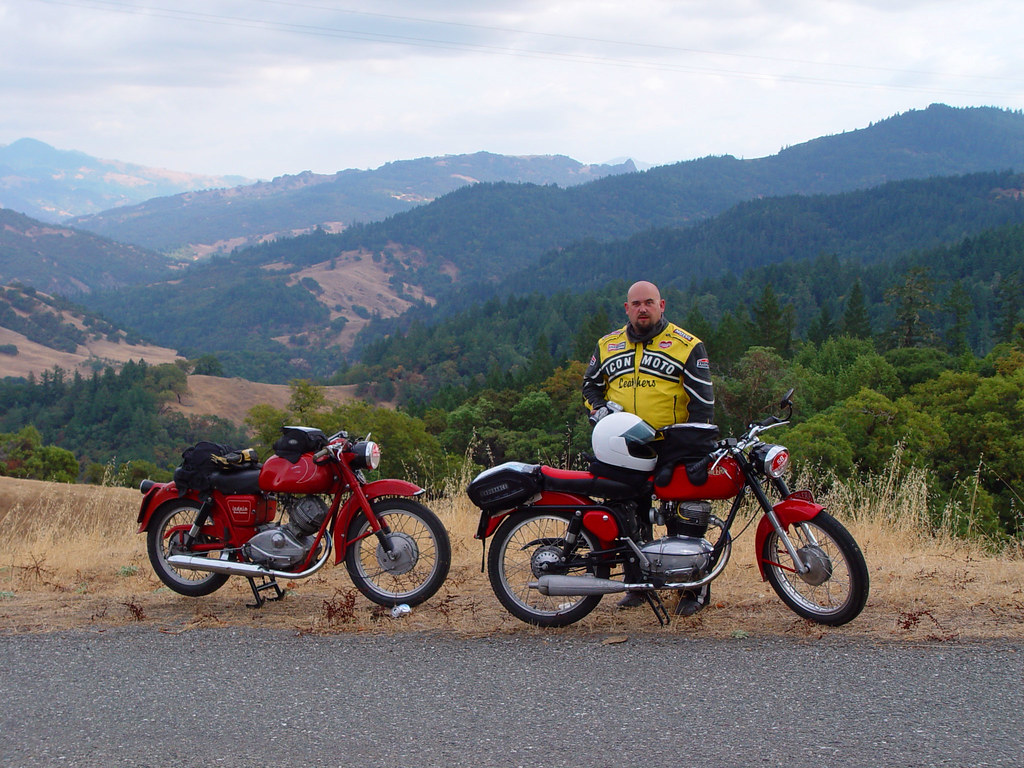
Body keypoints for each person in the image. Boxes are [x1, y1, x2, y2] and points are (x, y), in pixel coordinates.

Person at [581, 280, 715, 614]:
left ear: (662, 305)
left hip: (674, 443)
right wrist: (599, 412)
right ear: (627, 308)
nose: (643, 308)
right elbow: (589, 388)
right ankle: (637, 583)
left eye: (649, 302)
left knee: (684, 515)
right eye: (636, 303)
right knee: (626, 514)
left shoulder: (687, 345)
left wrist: (696, 447)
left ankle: (693, 589)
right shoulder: (607, 345)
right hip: (622, 444)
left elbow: (703, 405)